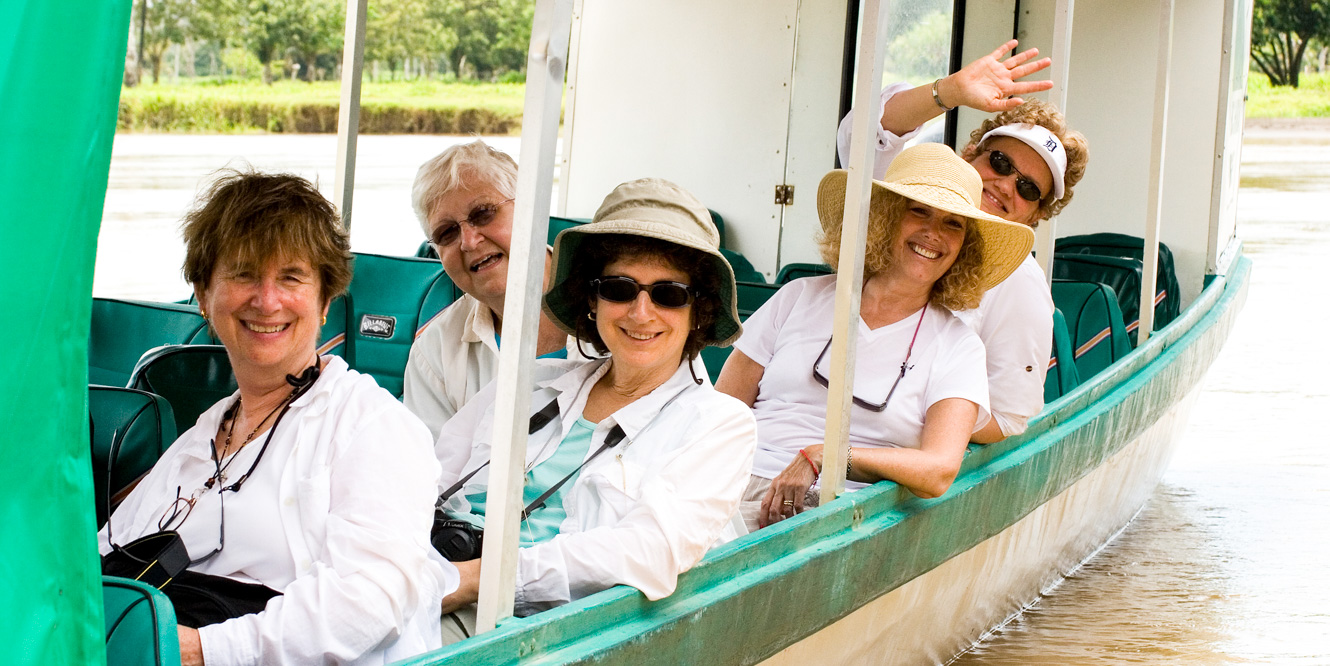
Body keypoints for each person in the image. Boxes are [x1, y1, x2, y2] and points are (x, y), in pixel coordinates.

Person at [98, 171, 455, 665]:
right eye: (243, 274)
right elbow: (105, 556)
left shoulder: (373, 426)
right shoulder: (203, 436)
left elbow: (370, 601)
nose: (267, 301)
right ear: (204, 296)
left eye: (291, 277)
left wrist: (203, 650)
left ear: (325, 301)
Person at [434, 178, 756, 638]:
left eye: (668, 294)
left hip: (535, 630)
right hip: (431, 583)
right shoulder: (529, 385)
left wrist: (477, 580)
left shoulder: (720, 424)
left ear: (698, 310)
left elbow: (648, 551)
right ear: (592, 298)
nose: (640, 313)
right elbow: (429, 481)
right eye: (620, 289)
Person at [715, 144, 1034, 531]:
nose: (934, 234)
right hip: (729, 480)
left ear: (964, 248)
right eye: (919, 211)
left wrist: (825, 457)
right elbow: (721, 411)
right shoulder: (799, 296)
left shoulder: (958, 346)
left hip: (831, 508)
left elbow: (938, 470)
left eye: (954, 224)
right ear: (883, 216)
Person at [837, 40, 1090, 442]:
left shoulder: (1020, 284)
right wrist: (949, 92)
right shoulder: (907, 195)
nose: (1006, 185)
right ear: (971, 153)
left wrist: (913, 410)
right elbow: (863, 137)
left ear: (1037, 214)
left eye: (1028, 188)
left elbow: (1008, 418)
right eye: (1000, 162)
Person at [404, 140, 573, 439]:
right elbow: (433, 474)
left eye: (483, 213)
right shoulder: (435, 352)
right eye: (447, 233)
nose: (468, 241)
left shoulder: (621, 309)